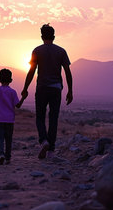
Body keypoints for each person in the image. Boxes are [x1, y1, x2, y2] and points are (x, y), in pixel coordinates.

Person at [21, 24, 73, 160]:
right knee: (53, 118)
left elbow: (31, 71)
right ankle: (51, 151)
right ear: (54, 37)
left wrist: (25, 88)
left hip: (42, 87)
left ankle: (44, 140)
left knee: (40, 117)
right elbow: (68, 72)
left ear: (42, 37)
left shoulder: (37, 51)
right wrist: (70, 90)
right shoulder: (61, 51)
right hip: (56, 88)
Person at [0, 68, 25, 165]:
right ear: (11, 80)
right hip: (10, 119)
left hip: (0, 119)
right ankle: (8, 158)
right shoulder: (13, 92)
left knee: (0, 138)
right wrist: (23, 98)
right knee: (8, 138)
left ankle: (1, 154)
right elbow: (18, 105)